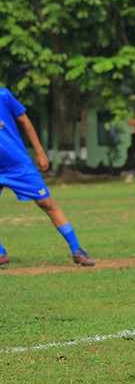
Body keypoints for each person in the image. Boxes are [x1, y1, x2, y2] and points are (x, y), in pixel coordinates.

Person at [0, 86, 95, 267]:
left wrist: (40, 152)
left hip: (18, 164)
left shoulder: (3, 95)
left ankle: (77, 250)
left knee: (48, 204)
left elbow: (25, 121)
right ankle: (1, 254)